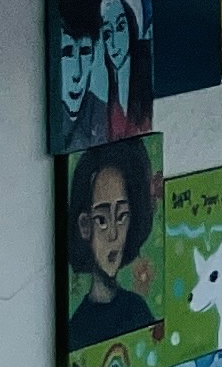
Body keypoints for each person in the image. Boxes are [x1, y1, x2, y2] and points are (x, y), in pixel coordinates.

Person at [63, 141, 161, 349]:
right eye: (102, 220)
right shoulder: (78, 328)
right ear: (85, 226)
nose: (114, 234)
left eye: (122, 216)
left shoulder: (138, 310)